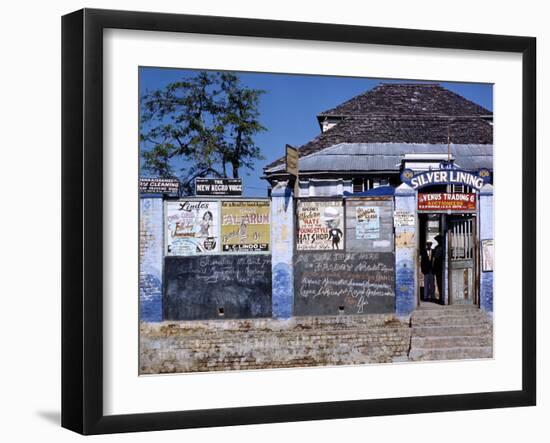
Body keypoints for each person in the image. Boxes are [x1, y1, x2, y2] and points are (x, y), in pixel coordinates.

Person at [432, 234, 445, 304]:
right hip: (438, 267)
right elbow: (434, 259)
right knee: (439, 283)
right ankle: (441, 297)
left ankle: (442, 297)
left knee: (440, 283)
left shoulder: (441, 247)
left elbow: (435, 259)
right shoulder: (437, 248)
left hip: (440, 267)